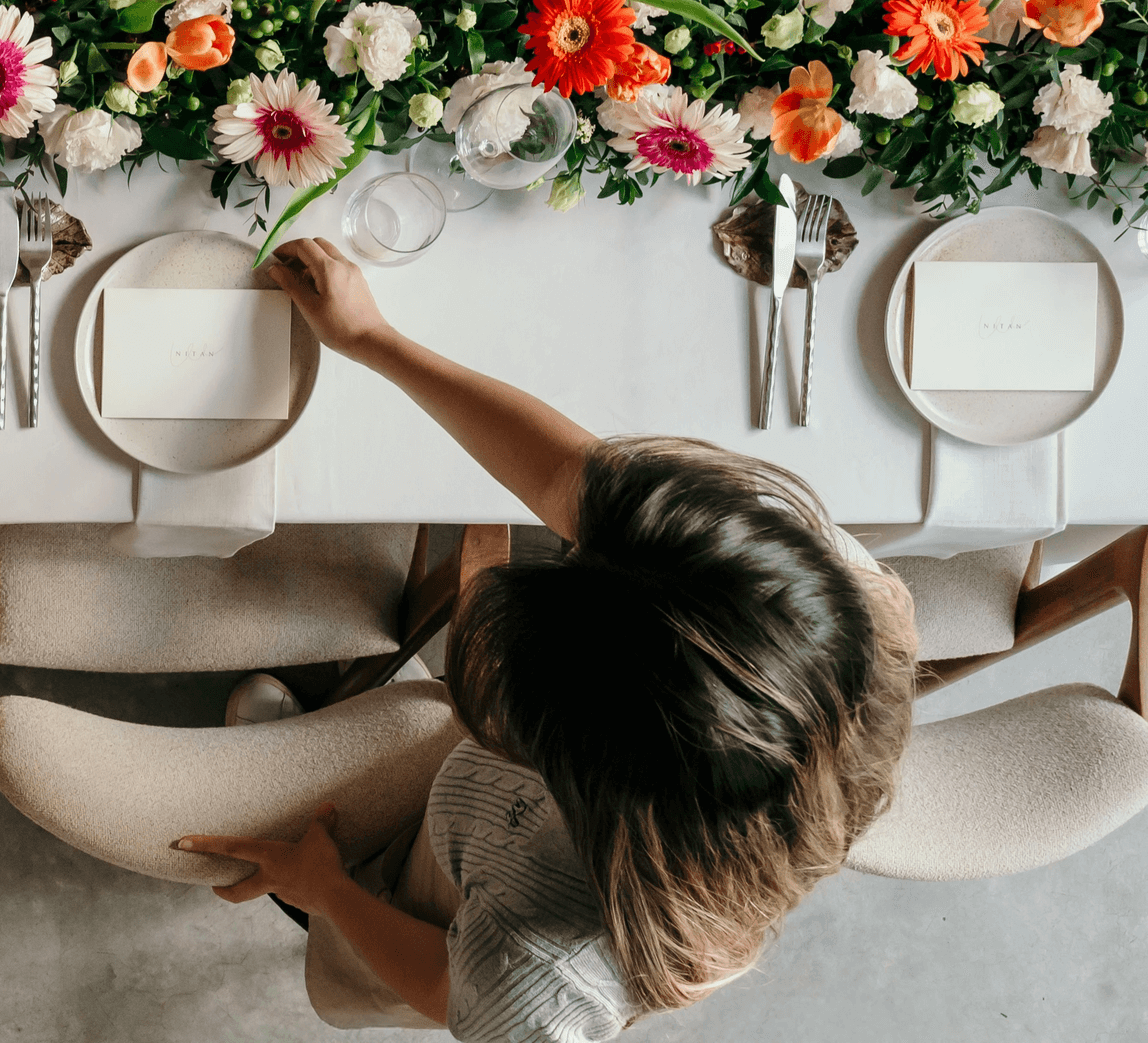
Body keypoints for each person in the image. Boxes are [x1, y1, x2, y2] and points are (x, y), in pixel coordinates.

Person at [178, 238, 919, 1040]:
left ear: (545, 743)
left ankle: (321, 890)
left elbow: (445, 980)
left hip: (446, 902)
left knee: (357, 942)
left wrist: (327, 891)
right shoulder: (819, 598)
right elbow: (575, 477)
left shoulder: (544, 971)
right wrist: (375, 341)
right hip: (486, 813)